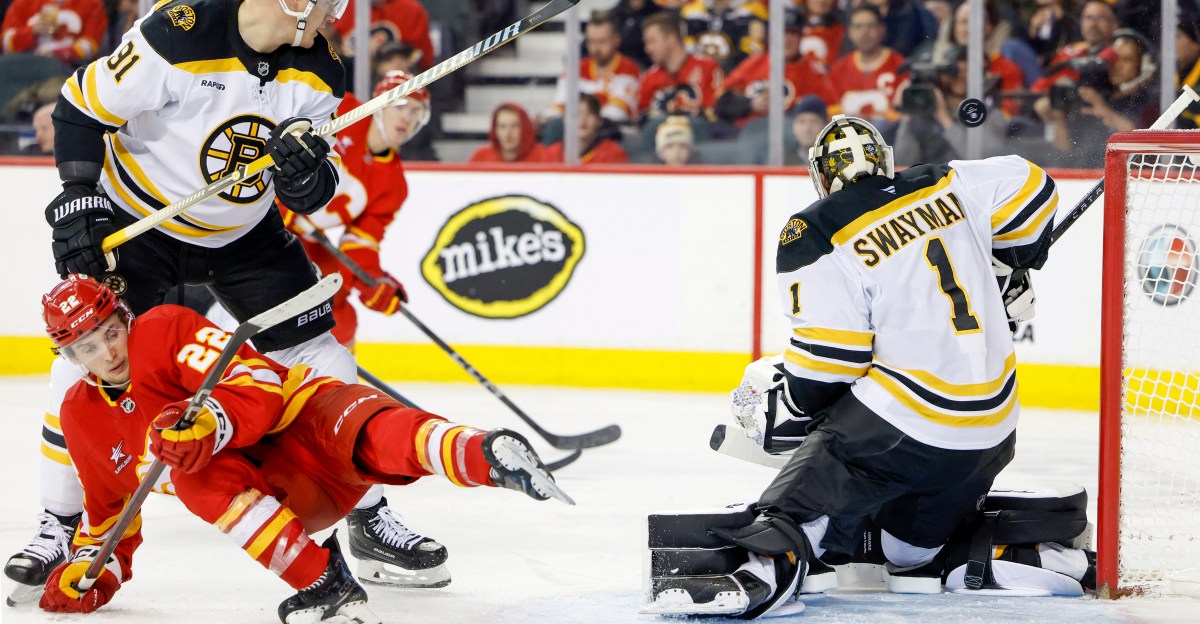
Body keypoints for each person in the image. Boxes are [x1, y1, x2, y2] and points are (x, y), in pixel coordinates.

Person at [6, 0, 420, 605]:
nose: (338, 15)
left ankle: (364, 510)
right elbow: (79, 107)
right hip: (141, 221)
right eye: (331, 4)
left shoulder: (321, 67)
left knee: (323, 354)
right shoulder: (177, 34)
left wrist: (307, 178)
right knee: (78, 365)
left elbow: (319, 177)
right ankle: (58, 526)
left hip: (244, 234)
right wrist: (77, 193)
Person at [646, 115, 1058, 616]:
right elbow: (1035, 187)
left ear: (821, 175)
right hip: (992, 432)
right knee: (906, 553)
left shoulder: (814, 227)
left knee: (819, 468)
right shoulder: (943, 181)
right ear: (884, 161)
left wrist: (790, 407)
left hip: (907, 427)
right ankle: (948, 560)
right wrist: (1010, 260)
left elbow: (831, 362)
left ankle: (773, 564)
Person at [34, 275, 566, 620]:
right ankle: (324, 585)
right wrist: (93, 569)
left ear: (123, 317)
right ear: (71, 356)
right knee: (195, 480)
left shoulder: (163, 328)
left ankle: (487, 456)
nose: (107, 351)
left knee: (368, 426)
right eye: (87, 346)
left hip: (304, 423)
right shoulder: (82, 416)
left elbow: (258, 383)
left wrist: (211, 423)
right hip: (282, 498)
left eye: (109, 332)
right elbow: (108, 515)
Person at [282, 70, 426, 352]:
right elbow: (286, 139)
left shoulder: (394, 184)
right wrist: (279, 200)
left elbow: (360, 242)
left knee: (336, 305)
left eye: (417, 111)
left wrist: (370, 280)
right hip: (263, 220)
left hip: (305, 238)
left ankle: (338, 383)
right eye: (401, 105)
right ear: (380, 103)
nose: (407, 118)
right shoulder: (344, 109)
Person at [1033, 28, 1159, 168]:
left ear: (1144, 65)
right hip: (1082, 175)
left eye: (1127, 60)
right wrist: (1058, 117)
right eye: (1114, 58)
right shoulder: (1094, 95)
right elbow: (1064, 150)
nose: (1117, 65)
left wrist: (1103, 109)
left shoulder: (1149, 101)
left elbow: (1137, 143)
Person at [716, 13, 837, 128]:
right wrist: (750, 103)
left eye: (792, 33)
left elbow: (832, 112)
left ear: (801, 37)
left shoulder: (813, 73)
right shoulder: (752, 64)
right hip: (748, 134)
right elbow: (721, 103)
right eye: (781, 32)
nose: (786, 39)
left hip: (791, 139)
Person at [545, 11, 641, 125]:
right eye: (591, 41)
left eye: (601, 41)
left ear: (616, 40)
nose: (595, 48)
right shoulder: (575, 69)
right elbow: (557, 107)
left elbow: (616, 112)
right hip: (577, 129)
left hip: (614, 133)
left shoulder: (629, 69)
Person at [638, 10, 725, 123]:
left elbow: (716, 112)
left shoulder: (708, 67)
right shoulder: (649, 78)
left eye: (652, 41)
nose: (647, 49)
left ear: (671, 39)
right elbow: (642, 119)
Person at [828, 5, 905, 129]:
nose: (864, 32)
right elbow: (831, 114)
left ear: (882, 29)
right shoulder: (838, 70)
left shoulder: (899, 66)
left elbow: (904, 117)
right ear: (850, 32)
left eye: (870, 26)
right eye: (858, 26)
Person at [1, 0, 107, 64]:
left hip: (66, 70)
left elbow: (90, 46)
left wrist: (58, 54)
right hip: (24, 65)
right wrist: (31, 31)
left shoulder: (92, 4)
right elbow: (5, 43)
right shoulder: (24, 2)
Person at [679, 0, 768, 71]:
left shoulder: (752, 10)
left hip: (735, 77)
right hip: (699, 75)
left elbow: (753, 53)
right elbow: (685, 49)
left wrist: (725, 67)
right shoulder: (691, 11)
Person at [545, 93, 630, 164]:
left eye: (589, 114)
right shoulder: (552, 154)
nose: (582, 120)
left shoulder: (613, 154)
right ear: (564, 119)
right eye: (576, 114)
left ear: (599, 120)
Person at [468, 102, 551, 163]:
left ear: (525, 128)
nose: (508, 134)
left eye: (514, 126)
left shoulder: (543, 155)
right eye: (502, 126)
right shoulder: (481, 157)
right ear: (495, 130)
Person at [782, 95, 827, 166]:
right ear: (793, 126)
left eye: (814, 121)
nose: (807, 129)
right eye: (801, 122)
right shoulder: (783, 159)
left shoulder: (835, 157)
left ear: (825, 126)